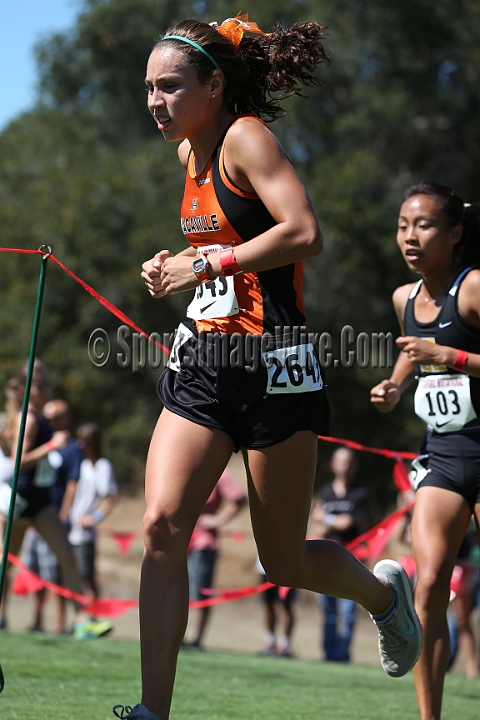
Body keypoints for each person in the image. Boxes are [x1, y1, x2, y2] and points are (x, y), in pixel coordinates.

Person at [113, 16, 422, 720]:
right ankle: (150, 713)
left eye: (170, 87)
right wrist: (179, 266)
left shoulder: (245, 138)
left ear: (215, 85)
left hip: (276, 365)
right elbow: (229, 242)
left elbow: (303, 232)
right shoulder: (188, 153)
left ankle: (382, 597)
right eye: (148, 89)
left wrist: (207, 262)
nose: (156, 102)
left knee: (280, 562)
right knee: (162, 525)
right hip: (205, 361)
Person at [370, 181, 480, 719]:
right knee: (429, 584)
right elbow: (415, 355)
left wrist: (450, 355)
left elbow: (438, 350)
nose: (410, 237)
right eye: (402, 225)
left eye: (425, 225)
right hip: (442, 454)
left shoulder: (474, 288)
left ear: (455, 233)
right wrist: (393, 386)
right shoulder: (403, 299)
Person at [0, 361, 93, 635]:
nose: (45, 390)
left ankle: (81, 621)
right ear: (22, 389)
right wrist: (53, 445)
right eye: (39, 386)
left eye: (46, 384)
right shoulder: (28, 418)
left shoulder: (34, 416)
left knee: (67, 556)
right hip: (19, 501)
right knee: (5, 563)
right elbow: (19, 461)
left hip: (41, 502)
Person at [21, 398, 83, 633]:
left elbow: (71, 484)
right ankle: (37, 620)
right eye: (47, 418)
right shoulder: (40, 435)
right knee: (29, 569)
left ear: (66, 419)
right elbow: (20, 460)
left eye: (55, 418)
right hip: (25, 508)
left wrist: (64, 514)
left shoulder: (71, 447)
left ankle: (67, 621)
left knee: (57, 569)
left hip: (49, 513)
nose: (50, 422)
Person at [311, 446, 367, 663]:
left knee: (348, 611)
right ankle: (328, 654)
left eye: (349, 461)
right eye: (341, 460)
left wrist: (325, 518)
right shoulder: (325, 493)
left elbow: (347, 523)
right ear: (332, 465)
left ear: (355, 466)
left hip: (351, 560)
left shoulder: (360, 494)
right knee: (328, 611)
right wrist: (331, 521)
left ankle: (342, 654)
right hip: (326, 560)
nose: (345, 464)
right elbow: (319, 523)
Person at [183, 467, 246, 649]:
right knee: (180, 590)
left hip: (203, 543)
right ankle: (177, 636)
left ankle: (197, 639)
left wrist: (217, 520)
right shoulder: (184, 466)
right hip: (182, 540)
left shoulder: (219, 471)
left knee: (200, 591)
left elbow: (240, 499)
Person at [68, 423, 118, 639]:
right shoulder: (76, 462)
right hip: (66, 529)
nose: (81, 444)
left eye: (86, 440)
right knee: (67, 577)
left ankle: (93, 620)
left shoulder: (102, 466)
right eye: (80, 439)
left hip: (83, 534)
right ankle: (76, 621)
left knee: (87, 577)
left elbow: (111, 496)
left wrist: (95, 517)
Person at [255, 554, 297, 658]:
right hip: (265, 566)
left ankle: (285, 645)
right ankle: (270, 641)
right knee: (268, 602)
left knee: (286, 605)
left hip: (287, 567)